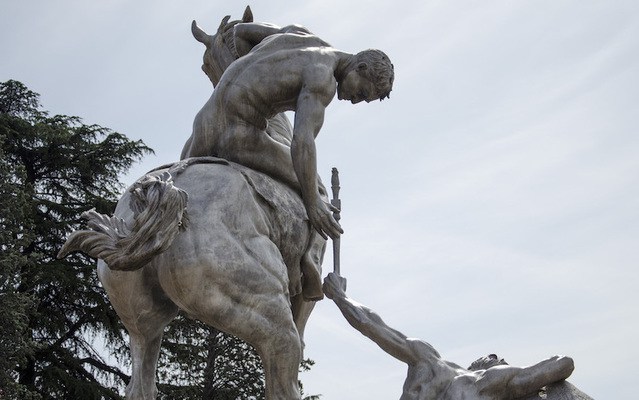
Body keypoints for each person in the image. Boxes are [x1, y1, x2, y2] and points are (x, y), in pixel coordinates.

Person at [181, 22, 394, 240]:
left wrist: (251, 80)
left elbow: (240, 33)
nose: (356, 101)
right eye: (363, 92)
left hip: (205, 122)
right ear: (361, 68)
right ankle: (306, 270)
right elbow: (302, 142)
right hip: (238, 134)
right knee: (317, 188)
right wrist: (313, 205)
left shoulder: (300, 34)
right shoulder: (323, 79)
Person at [322, 272, 575, 399]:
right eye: (499, 359)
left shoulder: (427, 361)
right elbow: (562, 363)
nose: (500, 360)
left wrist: (341, 297)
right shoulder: (493, 380)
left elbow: (373, 327)